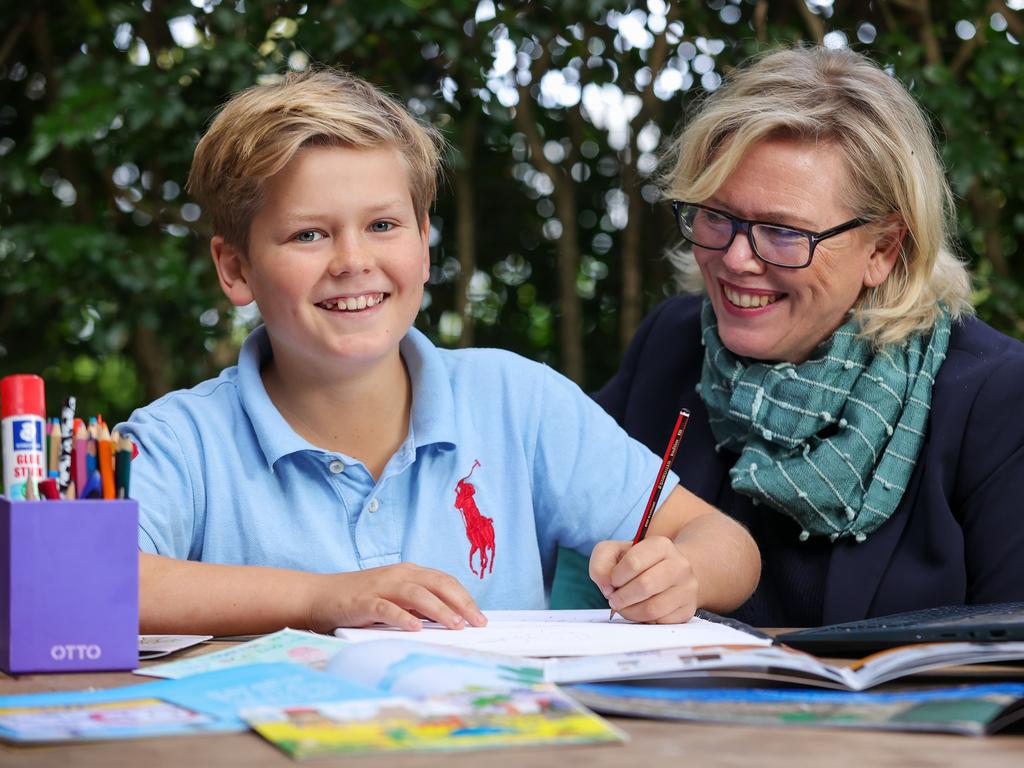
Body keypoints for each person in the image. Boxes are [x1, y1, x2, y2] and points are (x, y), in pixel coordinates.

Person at [118, 69, 760, 637]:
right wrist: (322, 598)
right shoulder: (180, 441)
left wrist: (685, 574)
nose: (352, 261)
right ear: (235, 269)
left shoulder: (519, 402)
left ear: (424, 244)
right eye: (307, 234)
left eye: (383, 225)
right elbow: (89, 583)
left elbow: (730, 547)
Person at [587, 46, 1024, 628]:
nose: (738, 259)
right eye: (716, 215)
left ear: (882, 250)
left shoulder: (995, 398)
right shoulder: (671, 345)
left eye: (782, 232)